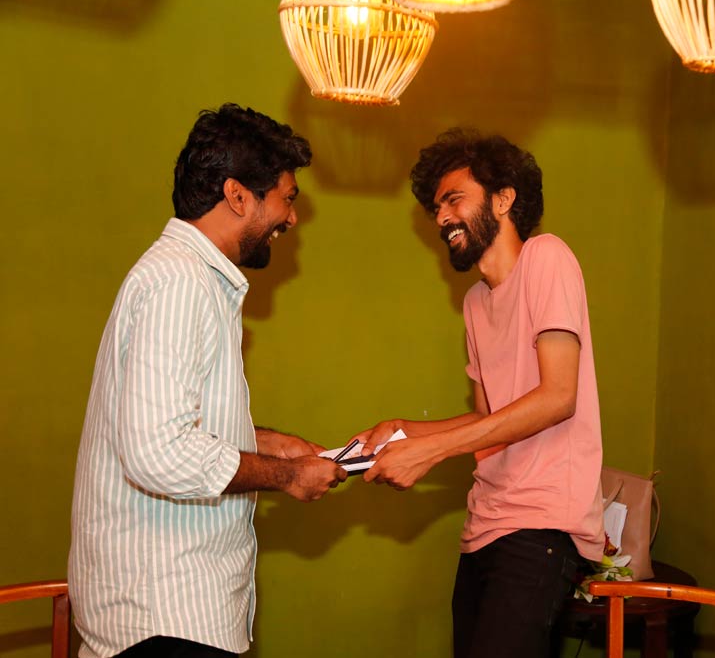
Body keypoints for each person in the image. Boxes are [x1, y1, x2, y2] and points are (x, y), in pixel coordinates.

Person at [68, 103, 348, 658]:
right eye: (287, 198)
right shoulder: (180, 283)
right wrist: (286, 477)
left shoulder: (189, 277)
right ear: (238, 195)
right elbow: (159, 451)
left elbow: (170, 424)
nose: (292, 218)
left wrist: (270, 445)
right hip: (164, 615)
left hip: (169, 612)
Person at [354, 129, 605, 658]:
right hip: (485, 528)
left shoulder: (547, 258)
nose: (441, 217)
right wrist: (405, 431)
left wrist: (430, 451)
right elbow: (490, 419)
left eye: (454, 199)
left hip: (541, 527)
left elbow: (558, 396)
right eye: (436, 208)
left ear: (503, 199)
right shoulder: (475, 302)